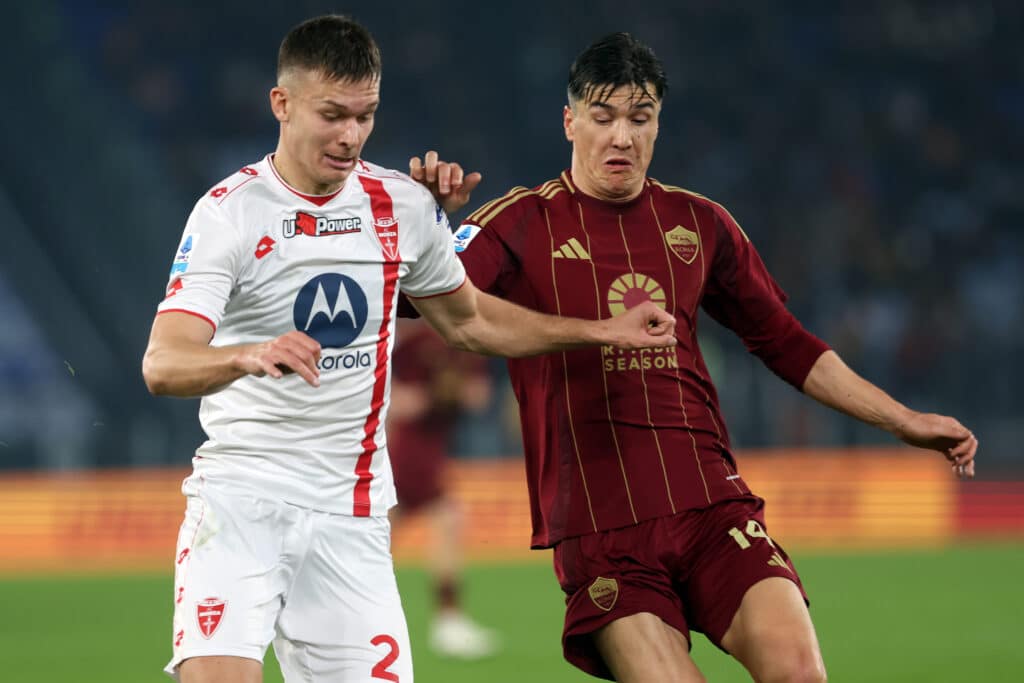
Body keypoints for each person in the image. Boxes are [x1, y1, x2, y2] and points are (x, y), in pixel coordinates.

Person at [410, 32, 978, 683]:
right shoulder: (518, 221)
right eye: (603, 117)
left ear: (658, 123)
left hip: (714, 508)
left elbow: (786, 342)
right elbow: (429, 305)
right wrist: (427, 228)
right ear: (570, 121)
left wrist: (901, 418)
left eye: (639, 117)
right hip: (603, 536)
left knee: (801, 673)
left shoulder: (700, 222)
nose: (621, 136)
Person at [141, 17, 675, 683]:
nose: (350, 135)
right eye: (332, 114)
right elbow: (164, 362)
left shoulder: (399, 205)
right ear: (282, 105)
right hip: (241, 501)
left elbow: (471, 322)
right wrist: (244, 354)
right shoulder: (229, 214)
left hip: (352, 513)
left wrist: (601, 330)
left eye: (364, 116)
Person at [387, 318, 500, 659]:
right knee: (447, 519)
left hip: (427, 447)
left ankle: (336, 609)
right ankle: (448, 622)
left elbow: (478, 396)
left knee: (379, 536)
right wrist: (438, 394)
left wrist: (445, 394)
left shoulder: (466, 341)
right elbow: (397, 399)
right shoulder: (416, 342)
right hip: (407, 449)